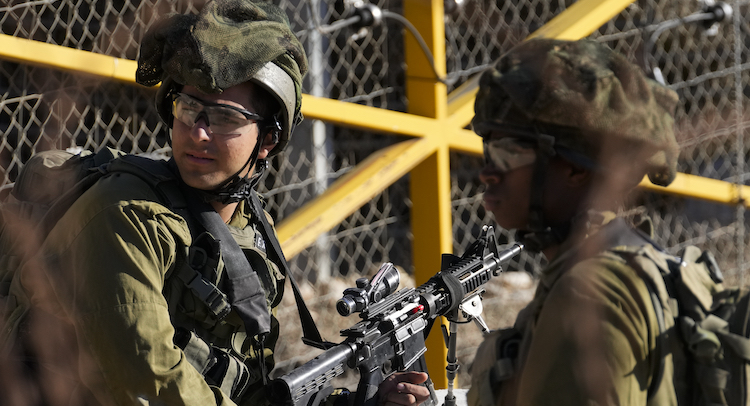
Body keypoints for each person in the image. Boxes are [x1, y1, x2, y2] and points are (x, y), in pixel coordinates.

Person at [9, 0, 430, 405]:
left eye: (226, 118)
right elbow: (151, 379)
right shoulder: (125, 214)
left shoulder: (248, 226)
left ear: (267, 140)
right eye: (189, 108)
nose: (198, 132)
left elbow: (243, 386)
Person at [466, 38, 681, 406]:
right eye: (488, 150)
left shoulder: (588, 295)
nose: (487, 172)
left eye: (508, 153)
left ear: (576, 168)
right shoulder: (606, 264)